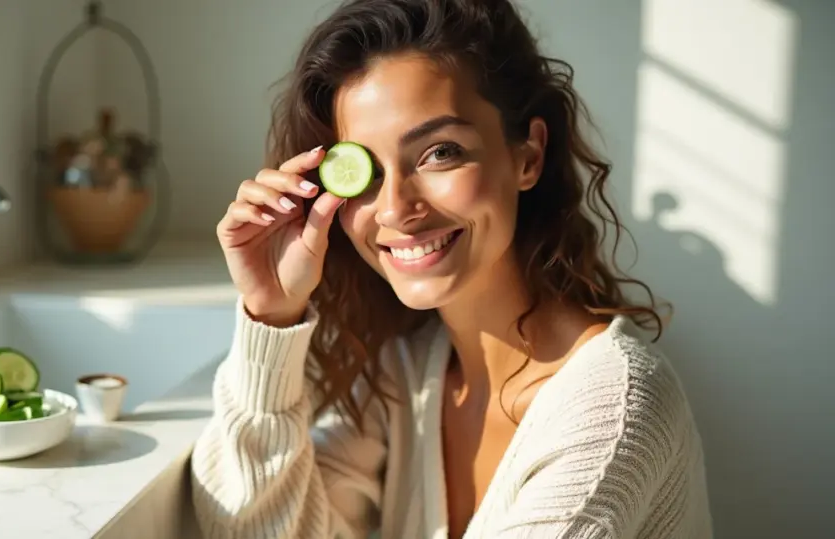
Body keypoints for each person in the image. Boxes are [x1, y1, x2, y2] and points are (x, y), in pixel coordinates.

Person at [191, 0, 713, 537]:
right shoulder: (407, 369)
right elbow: (252, 529)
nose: (394, 208)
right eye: (363, 171)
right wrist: (272, 315)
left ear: (527, 156)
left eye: (440, 152)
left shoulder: (615, 412)